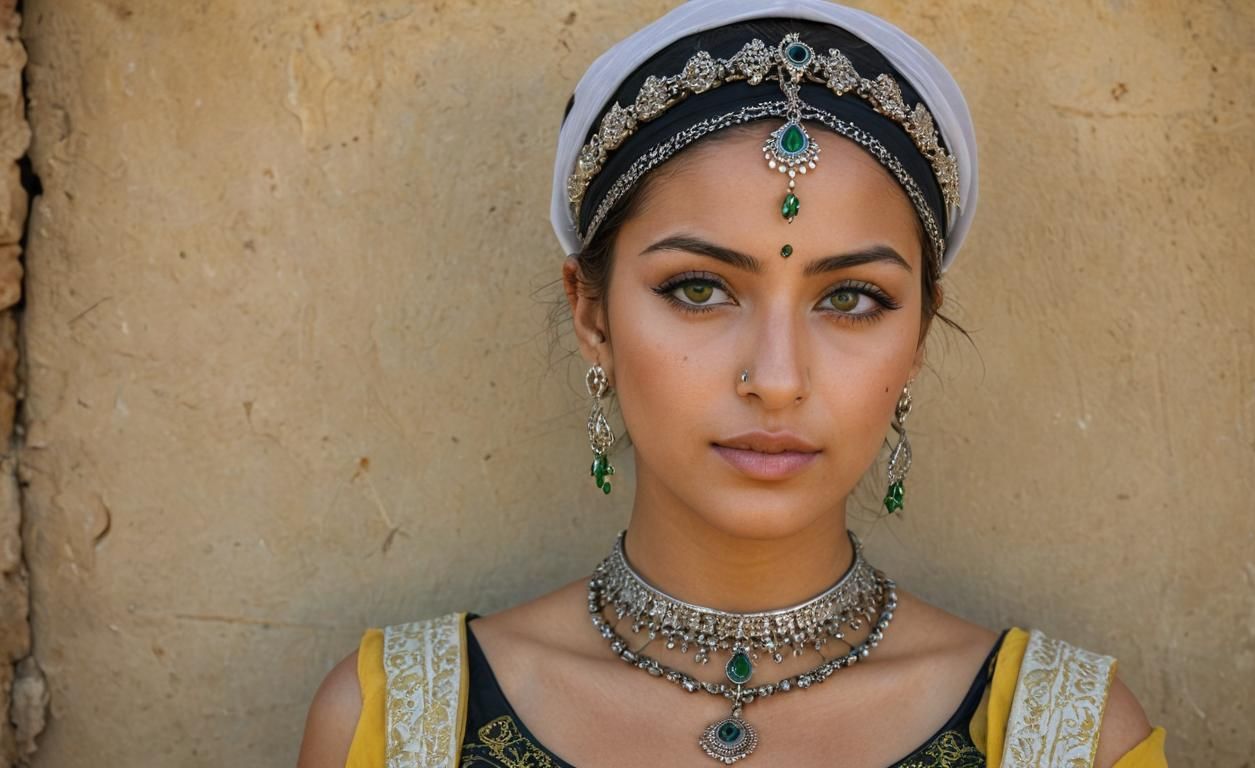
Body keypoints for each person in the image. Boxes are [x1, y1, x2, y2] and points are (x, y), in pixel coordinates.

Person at [297, 1, 1168, 765]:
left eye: (852, 299)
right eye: (699, 290)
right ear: (592, 314)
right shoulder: (401, 726)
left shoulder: (1065, 737)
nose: (777, 380)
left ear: (920, 337)